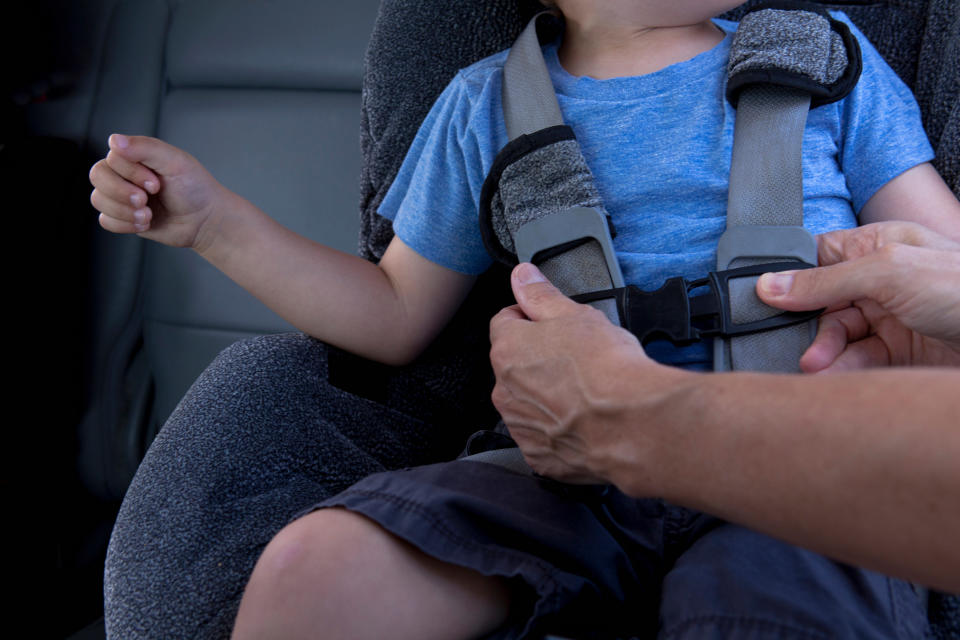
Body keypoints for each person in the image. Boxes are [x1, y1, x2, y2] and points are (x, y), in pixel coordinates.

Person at [87, 0, 960, 637]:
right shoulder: (484, 105)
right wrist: (217, 226)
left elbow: (941, 263)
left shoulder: (823, 58)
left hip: (799, 464)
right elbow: (393, 315)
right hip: (562, 464)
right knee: (317, 569)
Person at [490, 221, 960, 595]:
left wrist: (624, 412)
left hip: (789, 507)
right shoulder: (477, 113)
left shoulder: (857, 101)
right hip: (551, 481)